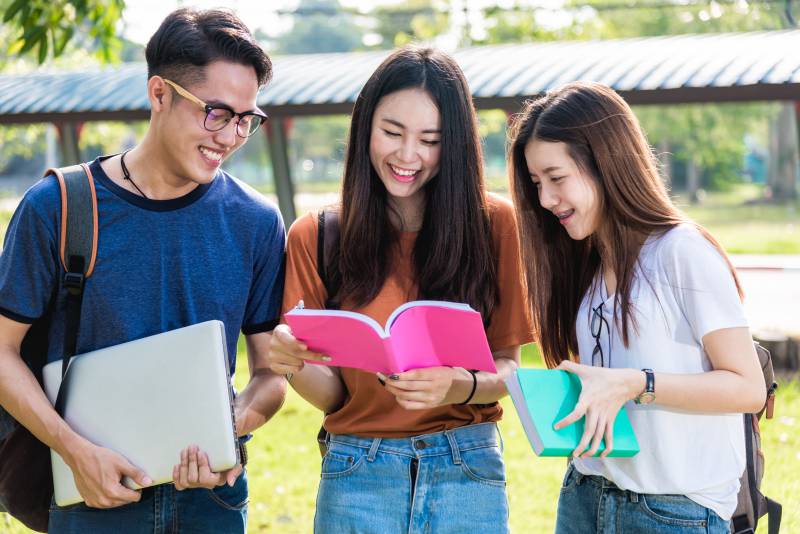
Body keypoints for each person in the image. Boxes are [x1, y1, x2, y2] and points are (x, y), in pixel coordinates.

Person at [0, 8, 286, 533]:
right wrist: (75, 450)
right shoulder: (58, 206)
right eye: (216, 112)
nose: (230, 136)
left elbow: (270, 375)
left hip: (212, 504)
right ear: (159, 94)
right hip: (90, 498)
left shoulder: (256, 221)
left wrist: (230, 427)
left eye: (247, 119)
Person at [266, 46, 534, 534]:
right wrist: (294, 364)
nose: (408, 155)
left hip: (466, 466)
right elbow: (332, 398)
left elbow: (510, 367)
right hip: (356, 471)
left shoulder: (495, 224)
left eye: (430, 140)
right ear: (365, 125)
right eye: (392, 132)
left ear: (452, 145)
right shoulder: (317, 233)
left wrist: (459, 385)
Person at [507, 81, 766, 533]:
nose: (545, 200)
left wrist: (636, 383)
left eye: (556, 178)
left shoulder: (681, 251)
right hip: (586, 495)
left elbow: (747, 388)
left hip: (673, 512)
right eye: (536, 183)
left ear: (606, 163)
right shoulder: (586, 262)